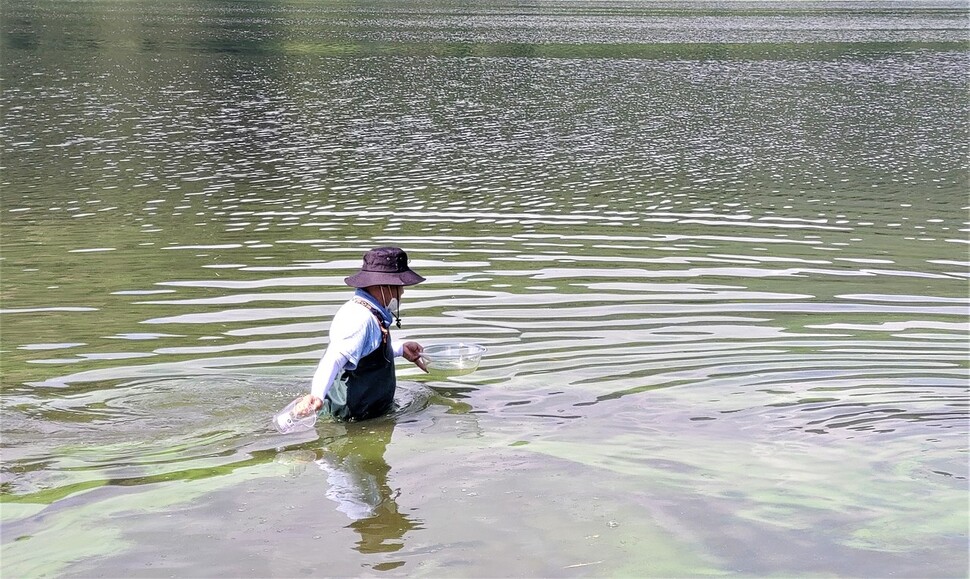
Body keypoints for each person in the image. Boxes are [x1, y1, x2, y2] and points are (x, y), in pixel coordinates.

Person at [293, 247, 428, 421]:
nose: (402, 292)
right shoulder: (359, 318)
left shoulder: (372, 313)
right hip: (349, 422)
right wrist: (316, 396)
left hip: (371, 416)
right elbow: (334, 357)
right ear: (383, 286)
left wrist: (400, 350)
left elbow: (365, 352)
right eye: (399, 286)